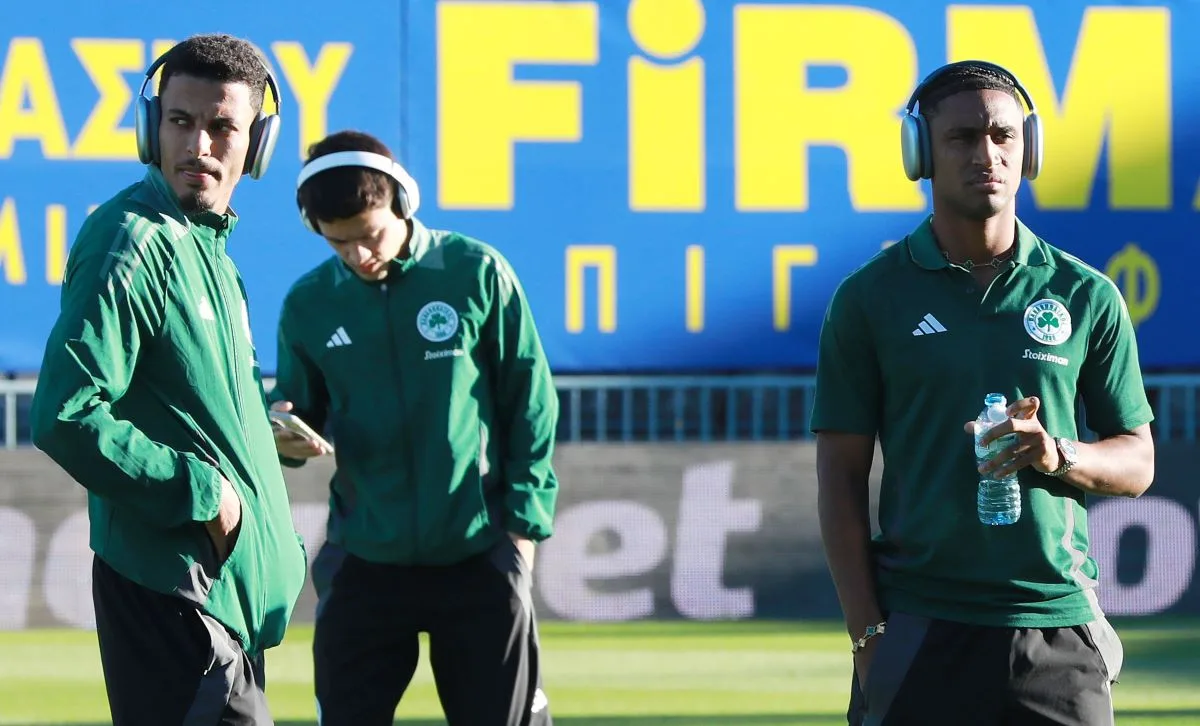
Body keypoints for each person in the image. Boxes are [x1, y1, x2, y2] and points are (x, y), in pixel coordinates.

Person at [811, 60, 1155, 726]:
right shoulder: (869, 299)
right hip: (919, 626)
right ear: (920, 154)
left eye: (1003, 136)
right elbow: (839, 479)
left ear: (1030, 148)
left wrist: (1055, 453)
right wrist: (868, 635)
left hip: (1058, 628)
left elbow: (1137, 463)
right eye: (962, 138)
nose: (987, 154)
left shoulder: (1086, 294)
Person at [29, 33, 308, 725]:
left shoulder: (210, 253)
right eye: (180, 121)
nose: (199, 145)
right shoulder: (132, 238)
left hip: (220, 605)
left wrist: (258, 438)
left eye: (223, 127)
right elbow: (66, 414)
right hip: (177, 597)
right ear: (150, 127)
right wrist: (206, 493)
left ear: (258, 143)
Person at [268, 129, 559, 725]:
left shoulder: (476, 271)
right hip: (365, 558)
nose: (358, 255)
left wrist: (522, 532)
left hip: (479, 552)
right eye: (338, 242)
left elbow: (529, 402)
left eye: (369, 235)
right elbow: (297, 413)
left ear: (402, 202)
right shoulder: (309, 304)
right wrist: (282, 434)